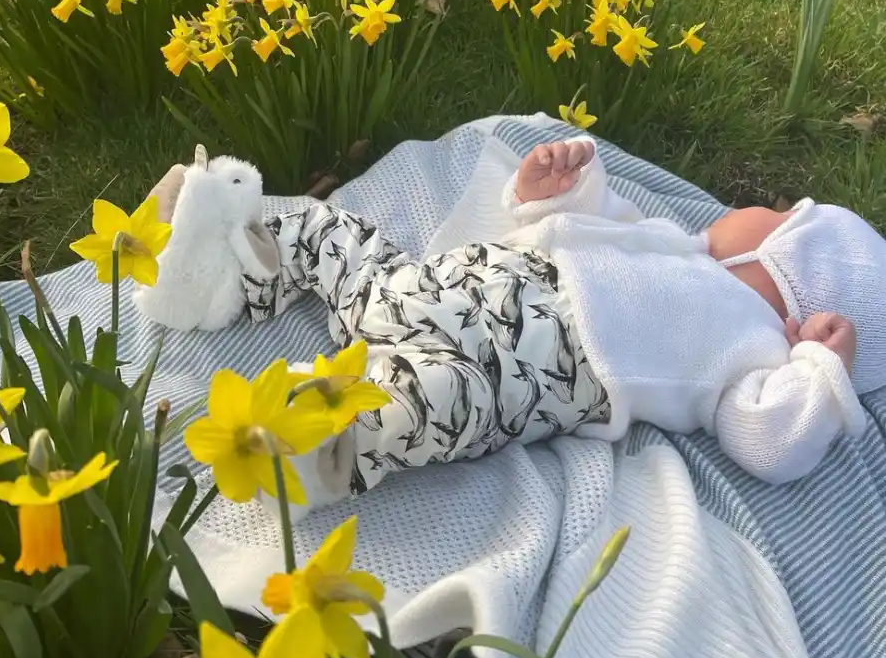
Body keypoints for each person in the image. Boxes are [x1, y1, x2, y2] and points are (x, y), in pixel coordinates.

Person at [143, 137, 886, 518]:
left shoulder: (749, 348)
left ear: (786, 263)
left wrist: (820, 373)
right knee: (336, 233)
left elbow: (769, 441)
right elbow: (584, 224)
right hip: (433, 284)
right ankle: (216, 271)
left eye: (783, 213)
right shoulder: (673, 241)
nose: (759, 204)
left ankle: (314, 438)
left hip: (507, 370)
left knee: (423, 401)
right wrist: (548, 189)